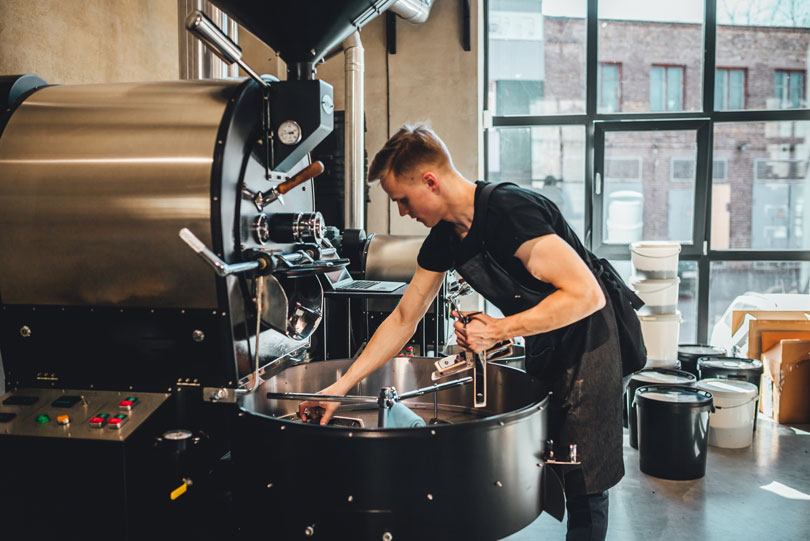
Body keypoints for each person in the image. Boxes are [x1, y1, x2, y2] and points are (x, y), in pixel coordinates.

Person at [299, 124, 624, 540]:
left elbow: (586, 295)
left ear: (430, 182)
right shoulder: (445, 239)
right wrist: (341, 386)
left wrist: (502, 327)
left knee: (583, 476)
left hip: (589, 342)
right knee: (547, 457)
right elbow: (403, 319)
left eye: (402, 199)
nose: (401, 211)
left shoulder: (511, 212)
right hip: (546, 341)